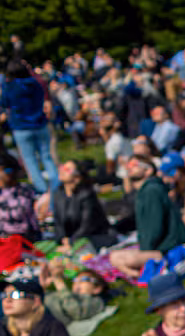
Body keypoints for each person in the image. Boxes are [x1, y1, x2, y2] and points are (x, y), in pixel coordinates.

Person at [109, 157, 185, 279]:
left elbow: (155, 227)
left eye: (135, 164)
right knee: (115, 256)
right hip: (161, 246)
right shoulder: (146, 190)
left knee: (116, 258)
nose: (130, 167)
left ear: (148, 170)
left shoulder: (151, 191)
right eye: (129, 164)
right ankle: (142, 274)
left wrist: (145, 251)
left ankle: (142, 274)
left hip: (168, 248)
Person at [0, 59, 58, 194]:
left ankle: (42, 190)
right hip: (39, 123)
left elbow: (4, 103)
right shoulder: (36, 83)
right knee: (46, 157)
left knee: (30, 160)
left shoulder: (10, 86)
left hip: (21, 127)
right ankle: (56, 186)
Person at [49, 160, 114, 248]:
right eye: (62, 167)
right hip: (73, 239)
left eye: (67, 169)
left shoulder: (87, 194)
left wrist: (71, 241)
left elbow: (87, 225)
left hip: (95, 236)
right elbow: (58, 222)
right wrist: (62, 239)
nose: (62, 170)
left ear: (77, 177)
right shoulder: (58, 194)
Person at [40, 263, 109, 326]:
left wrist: (58, 280)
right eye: (75, 280)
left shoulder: (96, 301)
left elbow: (75, 311)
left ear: (97, 289)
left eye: (84, 279)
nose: (77, 283)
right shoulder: (67, 295)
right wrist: (42, 286)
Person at [0, 152, 39, 240]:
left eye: (7, 170)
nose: (2, 175)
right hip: (4, 241)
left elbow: (20, 214)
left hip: (26, 238)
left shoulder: (25, 190)